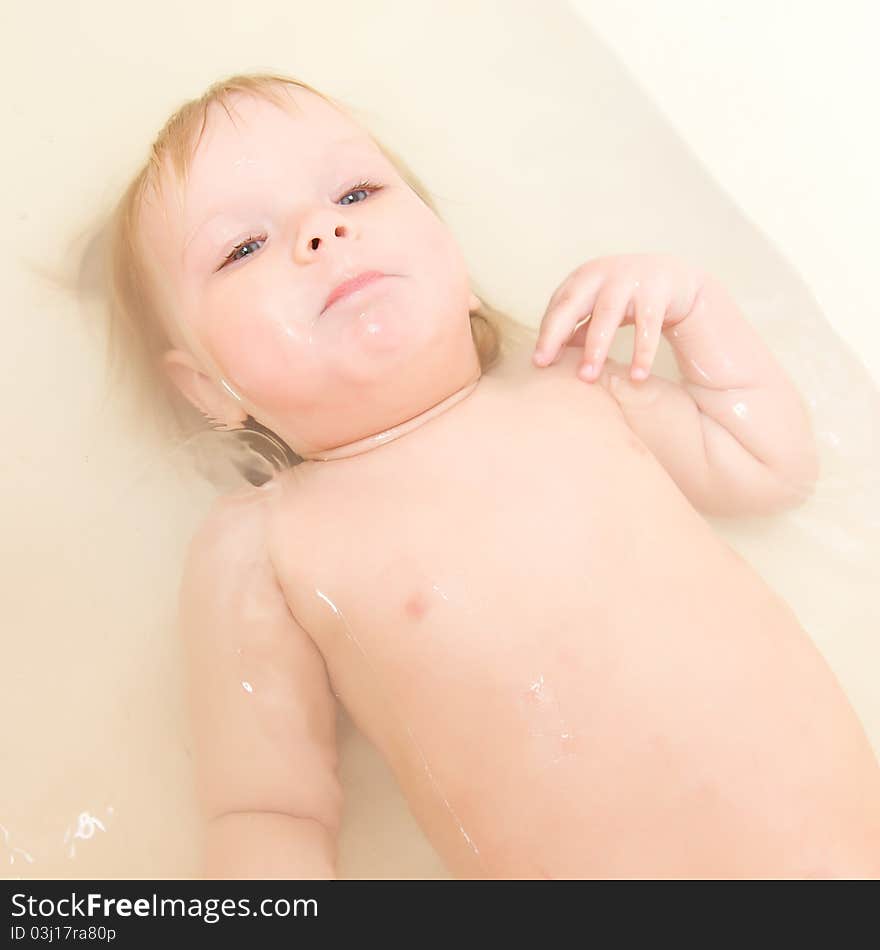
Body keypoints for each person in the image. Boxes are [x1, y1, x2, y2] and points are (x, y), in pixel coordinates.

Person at [105, 71, 880, 878]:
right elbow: (265, 807)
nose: (321, 232)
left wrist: (693, 307)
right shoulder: (264, 545)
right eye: (244, 247)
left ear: (455, 262)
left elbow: (770, 469)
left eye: (357, 193)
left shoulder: (580, 390)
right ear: (205, 388)